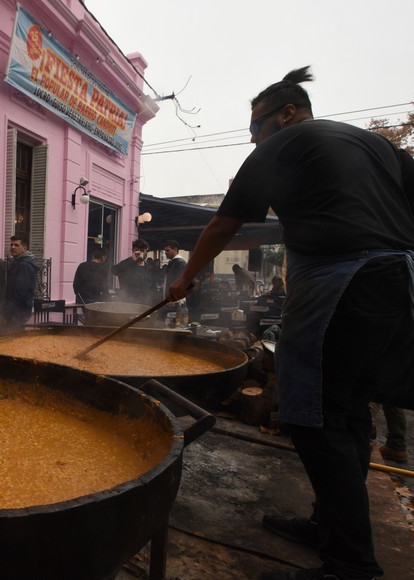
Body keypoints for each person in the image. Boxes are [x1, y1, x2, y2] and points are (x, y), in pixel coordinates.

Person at [167, 66, 414, 580]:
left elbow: (222, 224)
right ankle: (331, 527)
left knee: (311, 415)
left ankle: (350, 565)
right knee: (347, 411)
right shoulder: (379, 147)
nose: (252, 136)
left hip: (344, 279)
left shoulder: (285, 143)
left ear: (287, 113)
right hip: (398, 279)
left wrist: (185, 279)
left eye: (255, 125)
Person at [0, 235, 38, 332]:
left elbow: (20, 293)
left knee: (11, 340)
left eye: (16, 245)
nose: (12, 247)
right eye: (11, 245)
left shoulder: (24, 265)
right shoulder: (18, 262)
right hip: (17, 312)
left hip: (17, 313)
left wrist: (6, 315)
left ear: (24, 248)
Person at [111, 239, 157, 305]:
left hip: (145, 304)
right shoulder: (127, 265)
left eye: (142, 251)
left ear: (146, 251)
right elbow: (114, 270)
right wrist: (131, 259)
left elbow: (152, 287)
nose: (139, 253)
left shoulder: (149, 268)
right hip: (128, 303)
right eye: (136, 251)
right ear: (133, 251)